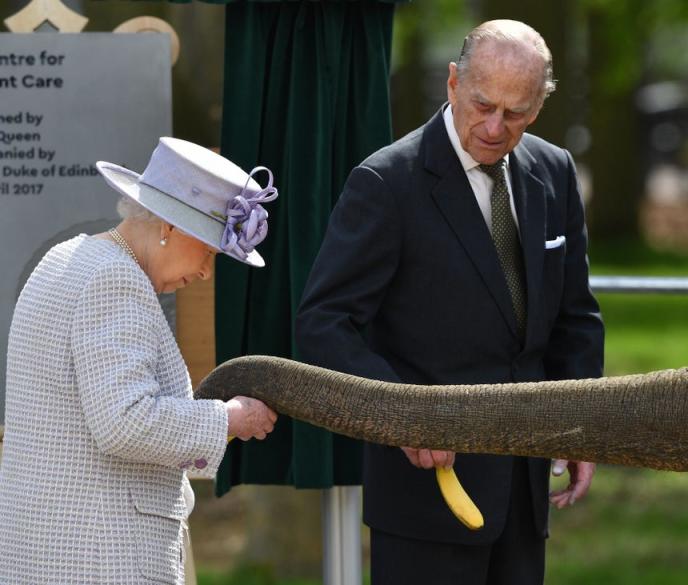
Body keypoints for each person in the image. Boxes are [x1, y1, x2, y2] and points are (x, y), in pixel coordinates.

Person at [296, 19, 604, 584]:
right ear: (454, 83)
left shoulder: (555, 171)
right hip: (424, 498)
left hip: (524, 489)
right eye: (483, 104)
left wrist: (580, 428)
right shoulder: (386, 182)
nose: (494, 126)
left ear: (539, 106)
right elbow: (323, 324)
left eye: (515, 114)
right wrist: (402, 416)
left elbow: (575, 318)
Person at [0, 137, 279, 585]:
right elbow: (126, 421)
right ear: (170, 226)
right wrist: (228, 419)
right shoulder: (115, 277)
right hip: (102, 559)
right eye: (209, 250)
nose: (207, 271)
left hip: (47, 554)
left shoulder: (64, 258)